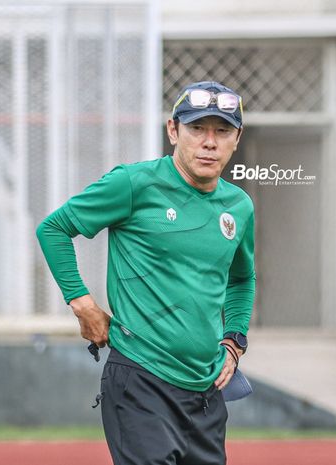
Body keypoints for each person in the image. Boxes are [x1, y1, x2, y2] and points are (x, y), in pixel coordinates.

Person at [36, 80, 255, 465]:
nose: (209, 142)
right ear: (173, 130)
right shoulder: (134, 183)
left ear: (236, 138)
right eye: (197, 129)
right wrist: (82, 303)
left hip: (205, 389)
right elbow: (53, 229)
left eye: (222, 131)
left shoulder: (239, 207)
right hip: (141, 379)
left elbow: (241, 278)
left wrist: (234, 341)